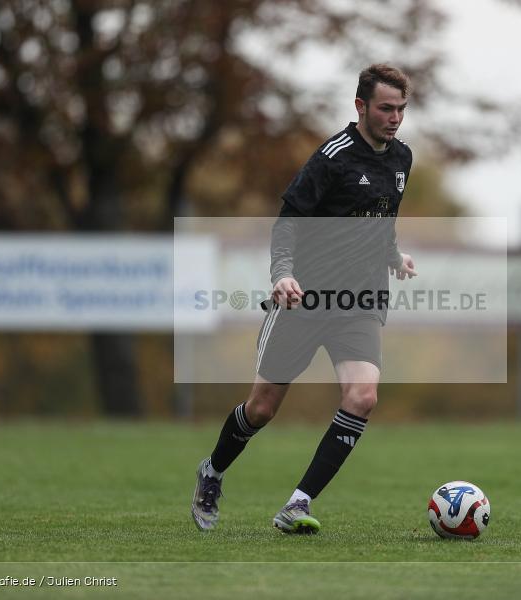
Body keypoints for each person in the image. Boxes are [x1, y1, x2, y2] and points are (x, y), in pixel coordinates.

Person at [191, 64, 417, 534]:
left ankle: (297, 503)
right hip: (305, 300)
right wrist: (283, 275)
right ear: (360, 107)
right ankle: (212, 471)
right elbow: (288, 222)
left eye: (401, 109)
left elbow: (381, 217)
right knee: (262, 409)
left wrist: (393, 255)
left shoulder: (402, 159)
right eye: (386, 108)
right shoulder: (331, 158)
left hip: (361, 300)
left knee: (363, 396)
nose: (395, 118)